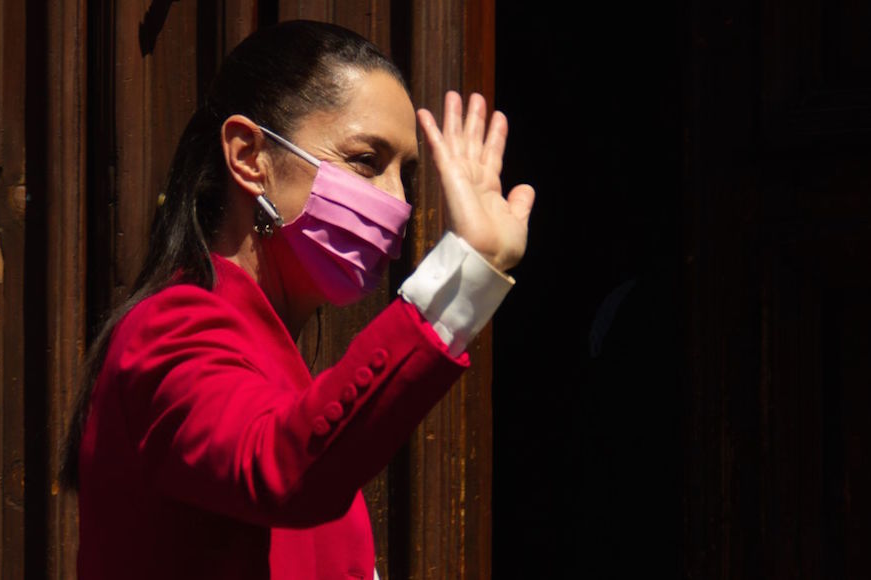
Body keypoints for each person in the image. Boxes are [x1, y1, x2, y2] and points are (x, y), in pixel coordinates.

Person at [60, 20, 534, 580]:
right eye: (366, 160)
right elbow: (279, 468)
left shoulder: (277, 364)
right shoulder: (170, 325)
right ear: (249, 157)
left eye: (405, 175)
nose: (397, 201)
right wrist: (463, 275)